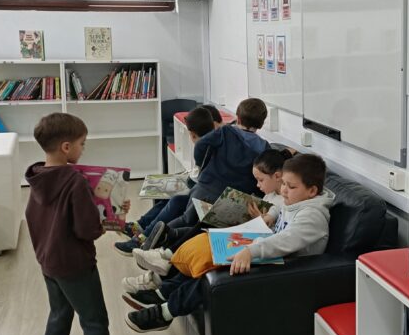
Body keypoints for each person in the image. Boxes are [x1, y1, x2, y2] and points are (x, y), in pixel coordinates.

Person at [122, 153, 334, 333]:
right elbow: (280, 206)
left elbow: (285, 240)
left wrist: (249, 251)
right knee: (208, 247)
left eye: (291, 186)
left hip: (289, 270)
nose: (284, 190)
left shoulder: (313, 216)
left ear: (312, 191)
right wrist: (269, 216)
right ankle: (165, 289)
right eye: (284, 184)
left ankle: (165, 313)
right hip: (270, 252)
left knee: (220, 265)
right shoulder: (297, 200)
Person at [25, 112, 126, 335]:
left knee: (59, 313)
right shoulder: (74, 181)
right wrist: (112, 218)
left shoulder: (38, 176)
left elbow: (34, 217)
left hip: (49, 262)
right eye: (82, 143)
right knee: (95, 322)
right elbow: (87, 229)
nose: (84, 149)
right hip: (75, 264)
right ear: (66, 147)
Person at [128, 146, 290, 281]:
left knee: (205, 230)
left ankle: (166, 246)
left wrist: (259, 220)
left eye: (260, 180)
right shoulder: (270, 195)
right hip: (248, 231)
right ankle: (165, 248)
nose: (258, 185)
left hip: (257, 241)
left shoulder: (286, 200)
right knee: (206, 221)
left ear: (277, 176)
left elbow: (276, 230)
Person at [144, 96, 270, 249]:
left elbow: (201, 145)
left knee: (186, 219)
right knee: (199, 228)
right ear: (262, 123)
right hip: (231, 199)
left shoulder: (225, 132)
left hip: (206, 188)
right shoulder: (264, 147)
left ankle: (151, 242)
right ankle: (166, 248)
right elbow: (262, 175)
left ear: (238, 117)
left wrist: (202, 166)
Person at [113, 103, 221, 256]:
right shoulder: (216, 142)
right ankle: (139, 227)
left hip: (204, 194)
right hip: (199, 187)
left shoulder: (208, 147)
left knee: (175, 199)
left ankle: (143, 238)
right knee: (169, 193)